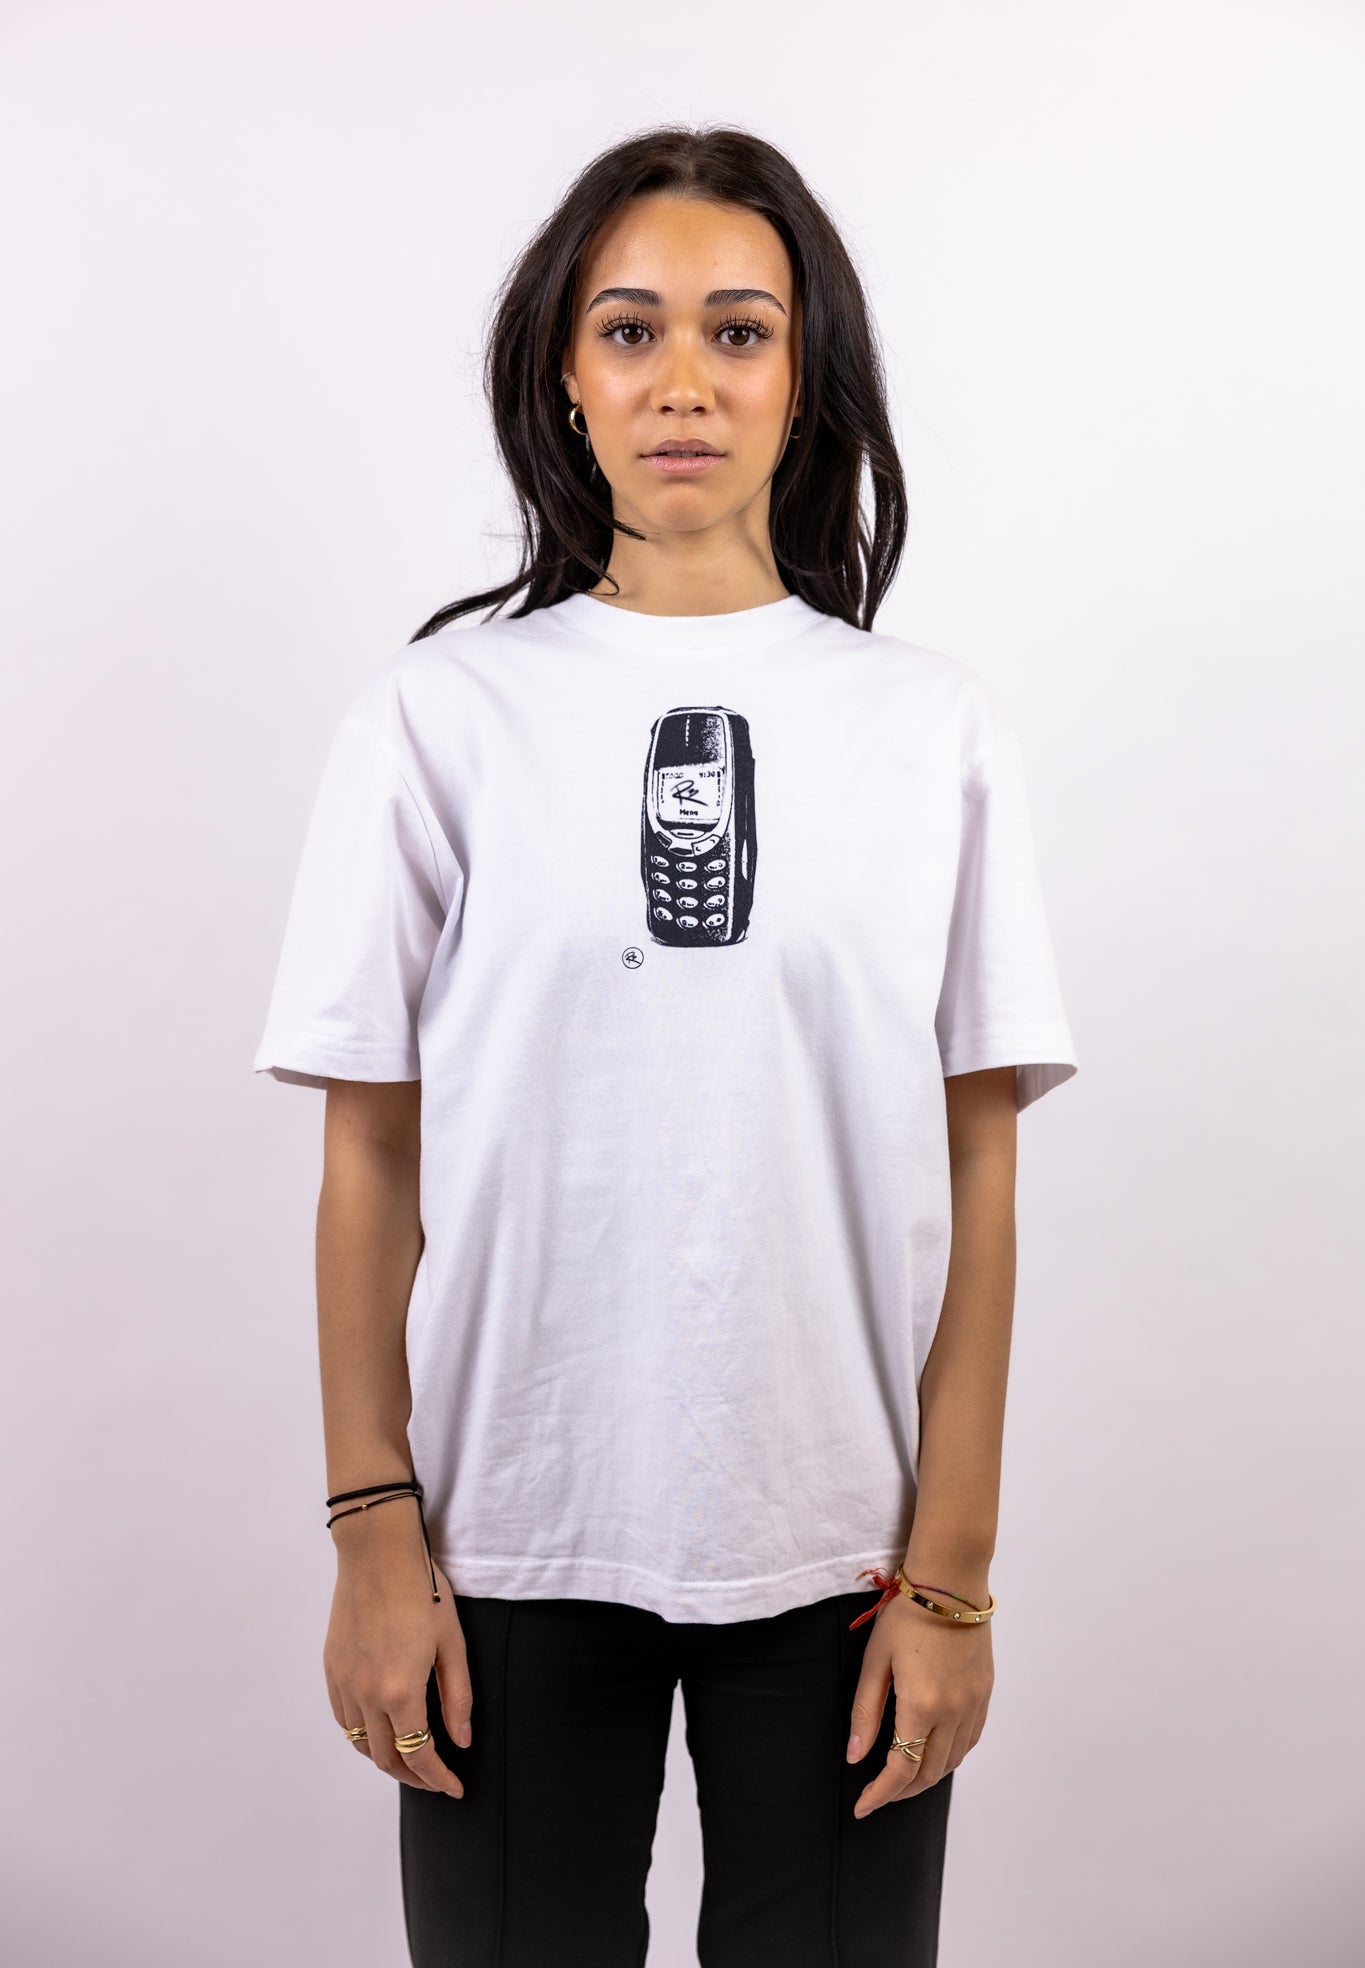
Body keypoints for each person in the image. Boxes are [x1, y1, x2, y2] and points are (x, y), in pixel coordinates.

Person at [253, 124, 1079, 1967]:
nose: (682, 380)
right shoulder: (438, 716)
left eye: (738, 330)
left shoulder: (929, 730)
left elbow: (978, 1166)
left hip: (844, 1554)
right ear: (565, 372)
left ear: (804, 376)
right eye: (629, 330)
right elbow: (369, 1151)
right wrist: (372, 1527)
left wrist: (952, 1577)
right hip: (508, 1544)